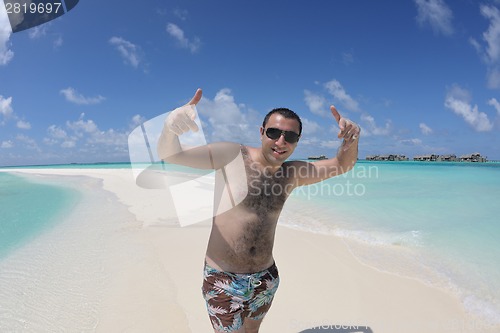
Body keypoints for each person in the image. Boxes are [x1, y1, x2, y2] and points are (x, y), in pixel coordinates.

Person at [157, 88, 360, 333]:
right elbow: (170, 154)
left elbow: (342, 164)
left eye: (290, 136)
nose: (280, 142)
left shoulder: (291, 173)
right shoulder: (232, 156)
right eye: (274, 133)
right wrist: (170, 126)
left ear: (297, 141)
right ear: (262, 132)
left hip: (266, 278)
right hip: (223, 280)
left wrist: (351, 140)